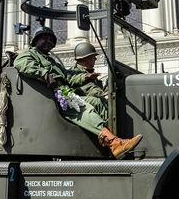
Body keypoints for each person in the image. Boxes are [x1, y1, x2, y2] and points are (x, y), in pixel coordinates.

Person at [14, 26, 141, 159]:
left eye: (51, 40)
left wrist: (86, 77)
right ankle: (113, 143)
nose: (48, 42)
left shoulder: (51, 61)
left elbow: (67, 76)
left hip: (64, 94)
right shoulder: (29, 54)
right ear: (36, 41)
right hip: (54, 98)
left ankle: (113, 139)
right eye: (45, 39)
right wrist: (44, 74)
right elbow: (22, 63)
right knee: (84, 108)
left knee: (99, 102)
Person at [70, 41, 107, 119]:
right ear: (86, 59)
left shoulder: (88, 72)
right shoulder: (76, 73)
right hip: (83, 107)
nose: (95, 59)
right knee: (102, 102)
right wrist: (105, 95)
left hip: (90, 105)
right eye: (93, 57)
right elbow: (90, 89)